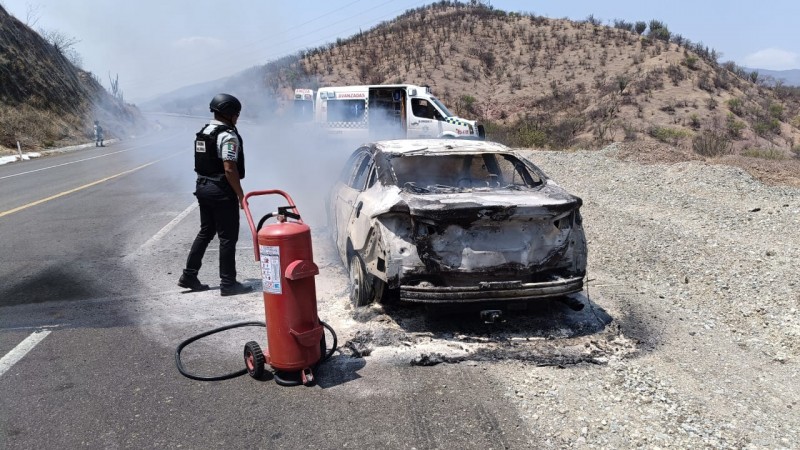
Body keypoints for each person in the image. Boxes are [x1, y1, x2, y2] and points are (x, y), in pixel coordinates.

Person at [178, 93, 253, 296]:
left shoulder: (205, 131)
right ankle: (228, 283)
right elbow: (229, 168)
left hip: (203, 187)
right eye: (236, 114)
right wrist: (240, 195)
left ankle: (189, 275)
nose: (237, 118)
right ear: (228, 113)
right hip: (221, 191)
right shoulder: (227, 136)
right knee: (228, 238)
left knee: (206, 232)